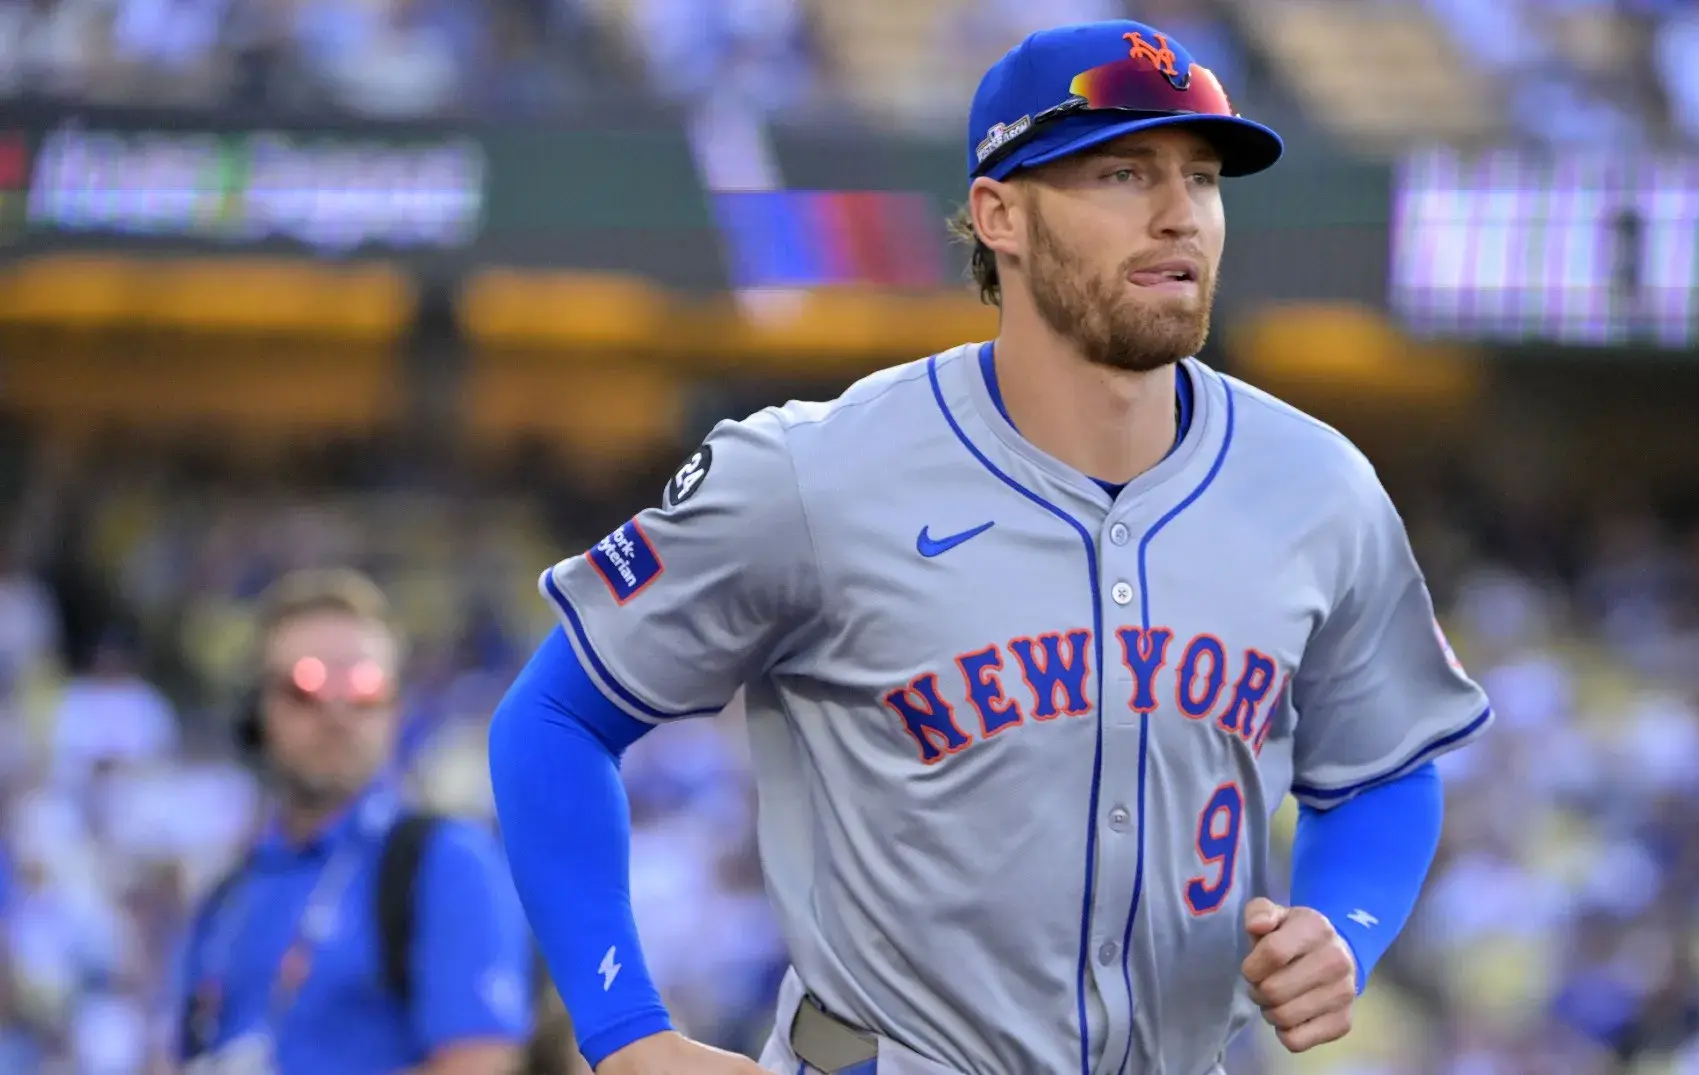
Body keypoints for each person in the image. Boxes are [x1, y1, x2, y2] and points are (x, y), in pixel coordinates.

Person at [488, 18, 1494, 1075]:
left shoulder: (1317, 483)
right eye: (1121, 172)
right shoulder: (817, 472)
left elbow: (1383, 763)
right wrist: (625, 1033)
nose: (1177, 215)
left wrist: (1347, 924)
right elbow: (554, 715)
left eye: (1202, 178)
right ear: (997, 213)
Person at [173, 568, 534, 1075]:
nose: (337, 712)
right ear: (255, 712)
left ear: (396, 709)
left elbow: (480, 1065)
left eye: (365, 687)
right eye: (306, 686)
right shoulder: (227, 897)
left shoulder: (445, 859)